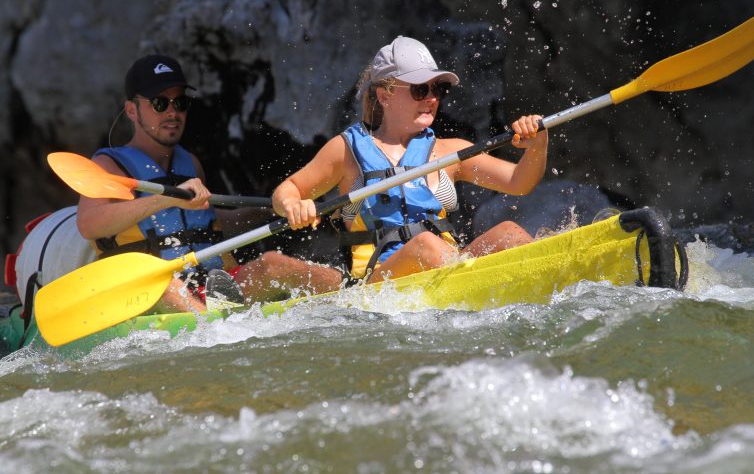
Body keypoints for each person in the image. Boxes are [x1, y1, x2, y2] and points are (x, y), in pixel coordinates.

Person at [271, 36, 548, 284]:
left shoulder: (448, 152)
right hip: (379, 282)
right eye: (419, 90)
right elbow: (287, 191)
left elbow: (519, 182)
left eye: (436, 89)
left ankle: (546, 279)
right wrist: (294, 205)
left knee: (509, 233)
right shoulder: (345, 151)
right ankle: (473, 283)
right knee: (425, 245)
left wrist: (537, 145)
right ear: (385, 95)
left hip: (447, 268)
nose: (431, 99)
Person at [76, 54, 342, 311]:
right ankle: (212, 329)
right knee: (165, 284)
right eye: (160, 103)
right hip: (151, 291)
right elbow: (89, 224)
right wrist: (164, 199)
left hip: (212, 284)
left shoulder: (190, 163)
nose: (172, 112)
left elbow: (207, 225)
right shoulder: (108, 165)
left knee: (273, 263)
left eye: (180, 103)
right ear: (132, 110)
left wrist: (266, 213)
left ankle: (354, 291)